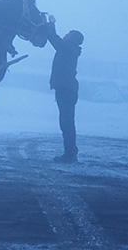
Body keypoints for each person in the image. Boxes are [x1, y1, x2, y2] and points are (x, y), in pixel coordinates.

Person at [47, 15, 83, 163]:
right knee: (67, 122)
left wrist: (51, 24)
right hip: (68, 90)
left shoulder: (67, 48)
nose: (65, 35)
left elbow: (53, 38)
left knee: (66, 123)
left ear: (72, 39)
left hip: (65, 90)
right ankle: (71, 151)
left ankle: (70, 154)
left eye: (68, 34)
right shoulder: (70, 49)